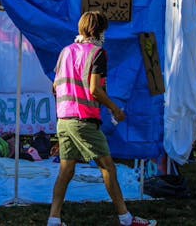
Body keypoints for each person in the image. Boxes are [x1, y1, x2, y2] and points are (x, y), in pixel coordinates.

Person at [48, 11, 157, 226]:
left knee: (66, 170)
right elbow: (95, 90)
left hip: (64, 119)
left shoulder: (65, 52)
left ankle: (54, 219)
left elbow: (55, 86)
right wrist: (115, 109)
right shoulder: (97, 54)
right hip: (83, 120)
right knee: (108, 167)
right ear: (99, 31)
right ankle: (125, 218)